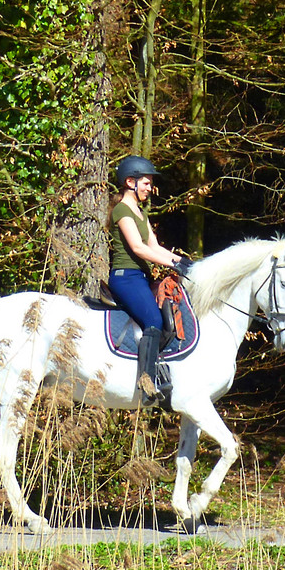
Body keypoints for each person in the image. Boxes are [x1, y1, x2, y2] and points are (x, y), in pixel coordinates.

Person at [109, 155, 184, 406]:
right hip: (125, 278)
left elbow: (154, 245)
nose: (150, 188)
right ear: (130, 182)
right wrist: (172, 264)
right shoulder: (122, 210)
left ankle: (159, 367)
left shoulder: (140, 212)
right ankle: (146, 381)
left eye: (150, 184)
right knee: (153, 319)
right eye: (147, 183)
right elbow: (139, 248)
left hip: (140, 278)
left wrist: (183, 262)